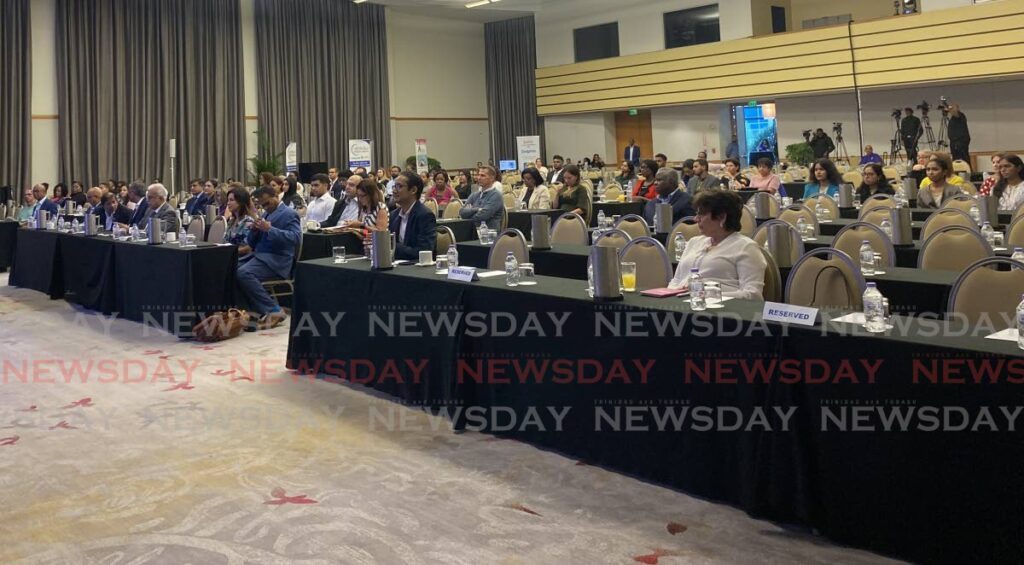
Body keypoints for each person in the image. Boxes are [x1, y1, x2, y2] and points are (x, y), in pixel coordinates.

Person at [668, 190, 767, 300]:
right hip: (681, 306)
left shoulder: (746, 247)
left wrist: (707, 294)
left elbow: (753, 295)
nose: (696, 219)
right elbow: (676, 280)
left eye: (701, 214)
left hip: (721, 312)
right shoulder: (694, 242)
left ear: (721, 217)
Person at [236, 186, 301, 329]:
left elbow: (295, 238)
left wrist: (270, 229)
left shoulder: (289, 214)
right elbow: (252, 244)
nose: (265, 207)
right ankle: (249, 312)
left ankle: (274, 310)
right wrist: (254, 230)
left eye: (267, 203)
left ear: (276, 196)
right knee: (230, 268)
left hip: (277, 260)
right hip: (260, 256)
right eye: (262, 205)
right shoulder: (265, 214)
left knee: (243, 273)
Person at [384, 171, 436, 261]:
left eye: (399, 186)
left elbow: (424, 251)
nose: (394, 191)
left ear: (413, 190)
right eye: (394, 186)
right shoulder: (394, 215)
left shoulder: (425, 215)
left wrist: (394, 247)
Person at [460, 166, 505, 230]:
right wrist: (477, 209)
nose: (479, 178)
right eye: (478, 175)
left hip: (489, 235)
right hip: (472, 232)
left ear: (492, 178)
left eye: (482, 175)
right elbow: (462, 212)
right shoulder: (474, 195)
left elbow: (482, 216)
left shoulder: (496, 195)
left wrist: (469, 212)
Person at [224, 186, 257, 250]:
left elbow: (248, 248)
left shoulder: (248, 222)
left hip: (240, 257)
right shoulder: (232, 221)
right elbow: (225, 241)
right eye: (228, 200)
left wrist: (229, 252)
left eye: (231, 200)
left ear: (240, 202)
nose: (228, 203)